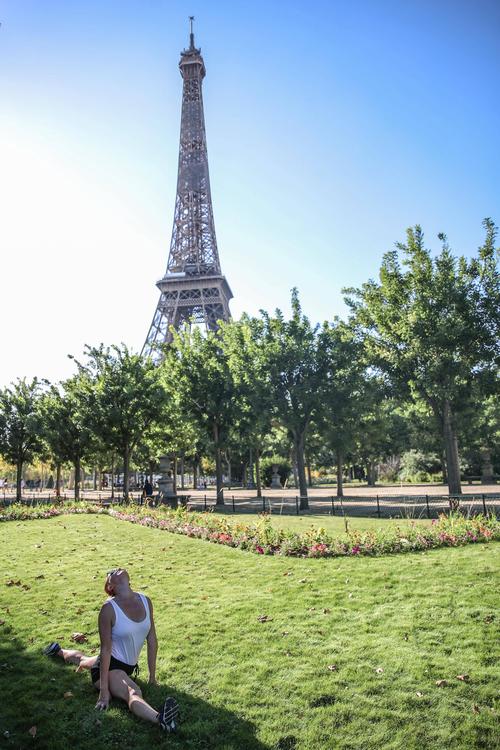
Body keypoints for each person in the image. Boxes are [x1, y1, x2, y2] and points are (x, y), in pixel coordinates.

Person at [43, 568, 179, 733]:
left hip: (124, 664)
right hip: (110, 664)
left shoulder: (145, 601)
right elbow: (106, 649)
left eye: (118, 568)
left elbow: (152, 640)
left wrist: (152, 677)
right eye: (112, 572)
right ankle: (161, 719)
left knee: (84, 660)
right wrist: (104, 691)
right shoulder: (108, 609)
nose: (117, 569)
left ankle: (58, 650)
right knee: (133, 691)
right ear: (110, 586)